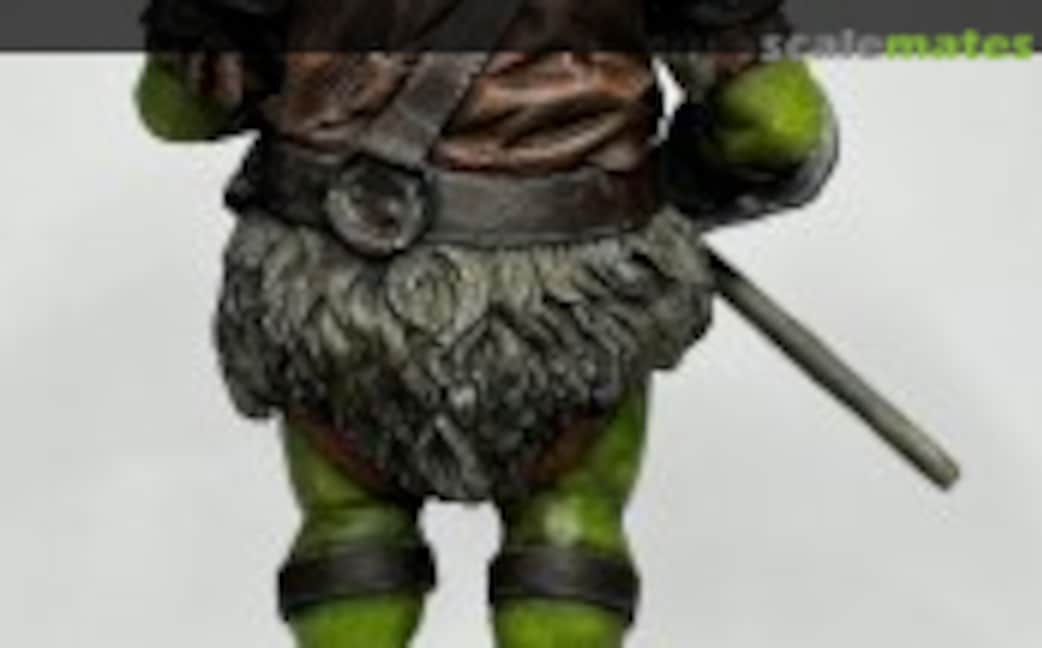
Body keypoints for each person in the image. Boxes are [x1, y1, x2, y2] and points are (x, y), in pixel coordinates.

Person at [136, 0, 837, 645]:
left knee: (351, 540)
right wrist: (677, 184)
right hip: (569, 306)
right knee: (567, 542)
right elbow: (777, 125)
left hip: (337, 298)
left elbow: (177, 111)